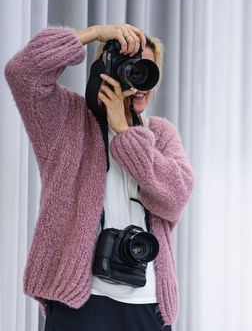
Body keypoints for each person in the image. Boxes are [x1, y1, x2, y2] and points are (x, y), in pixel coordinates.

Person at [4, 24, 194, 330]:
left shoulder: (160, 133)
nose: (140, 81)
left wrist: (124, 131)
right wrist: (94, 33)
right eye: (132, 69)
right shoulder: (68, 120)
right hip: (82, 302)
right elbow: (23, 73)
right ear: (108, 71)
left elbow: (176, 197)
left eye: (148, 71)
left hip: (148, 305)